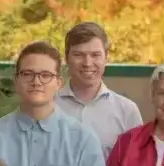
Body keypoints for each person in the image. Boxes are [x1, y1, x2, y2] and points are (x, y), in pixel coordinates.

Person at [55, 22, 143, 158]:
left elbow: (137, 165)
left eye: (95, 55)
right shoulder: (47, 107)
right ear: (66, 58)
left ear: (106, 58)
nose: (87, 63)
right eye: (79, 54)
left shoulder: (127, 111)